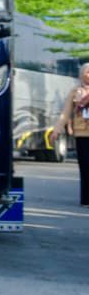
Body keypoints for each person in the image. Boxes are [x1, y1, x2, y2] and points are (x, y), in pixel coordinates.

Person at [51, 64, 89, 206]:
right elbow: (65, 113)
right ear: (81, 75)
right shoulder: (75, 91)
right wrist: (56, 130)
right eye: (87, 72)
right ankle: (86, 199)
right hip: (82, 134)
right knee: (85, 166)